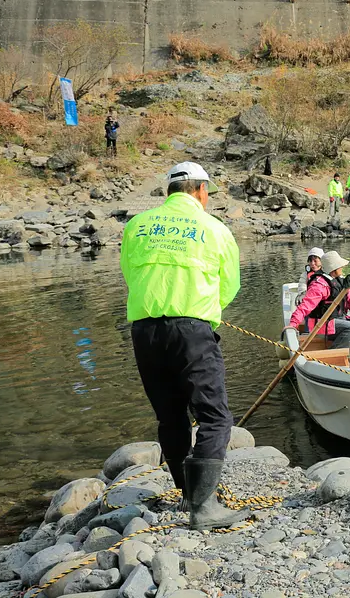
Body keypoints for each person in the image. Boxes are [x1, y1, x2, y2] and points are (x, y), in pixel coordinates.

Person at [120, 161, 246, 531]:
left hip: (144, 331)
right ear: (201, 191)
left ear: (170, 191)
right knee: (214, 417)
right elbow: (230, 285)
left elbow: (130, 274)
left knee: (170, 415)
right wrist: (204, 312)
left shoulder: (137, 226)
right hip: (192, 331)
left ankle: (188, 494)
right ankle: (204, 507)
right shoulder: (215, 228)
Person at [285, 251, 350, 349]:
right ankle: (335, 352)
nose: (342, 267)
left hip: (338, 320)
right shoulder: (319, 285)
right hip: (322, 325)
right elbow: (305, 306)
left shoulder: (340, 282)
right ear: (334, 269)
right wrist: (293, 323)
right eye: (340, 266)